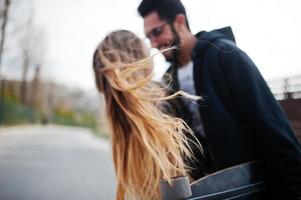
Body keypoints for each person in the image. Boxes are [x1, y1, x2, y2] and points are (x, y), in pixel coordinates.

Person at [137, 0, 301, 199]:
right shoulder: (169, 80)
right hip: (213, 191)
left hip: (253, 188)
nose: (154, 44)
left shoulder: (226, 55)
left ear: (180, 22)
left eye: (157, 32)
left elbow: (273, 130)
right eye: (149, 37)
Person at [92, 30, 201, 200]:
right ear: (139, 60)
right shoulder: (164, 103)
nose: (151, 50)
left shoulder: (122, 121)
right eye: (146, 51)